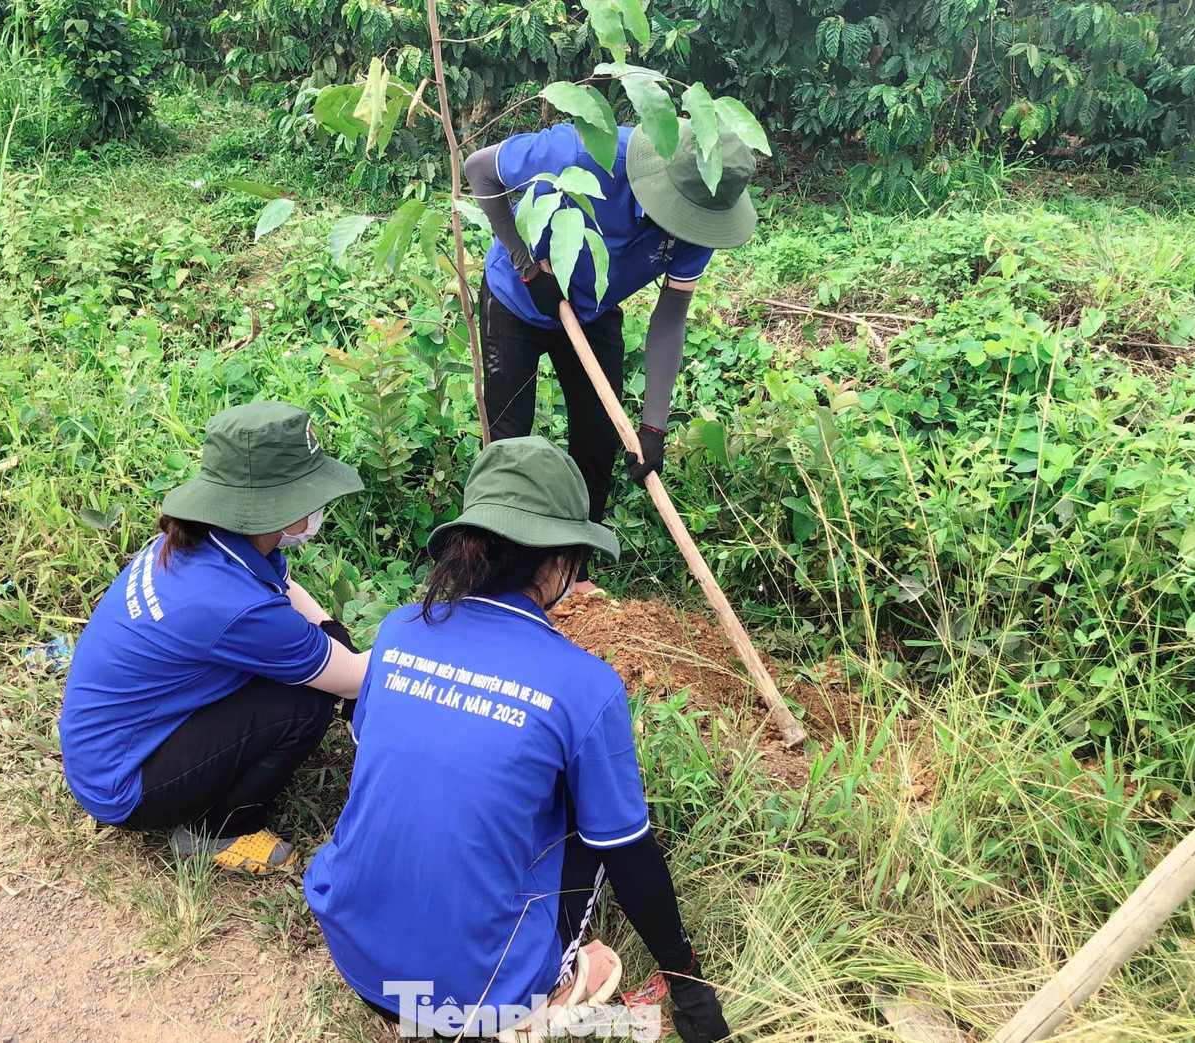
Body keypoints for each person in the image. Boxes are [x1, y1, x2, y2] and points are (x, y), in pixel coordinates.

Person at [304, 436, 731, 1041]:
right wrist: (688, 984)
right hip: (473, 998)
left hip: (354, 951)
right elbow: (629, 856)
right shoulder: (585, 686)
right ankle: (546, 996)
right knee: (603, 820)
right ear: (559, 564)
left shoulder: (401, 629)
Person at [59, 401, 368, 874]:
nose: (319, 507)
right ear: (277, 508)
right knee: (305, 702)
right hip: (123, 784)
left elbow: (283, 587)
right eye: (312, 495)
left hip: (107, 743)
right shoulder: (231, 605)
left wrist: (332, 635)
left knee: (320, 657)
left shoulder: (213, 541)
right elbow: (350, 680)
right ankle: (216, 831)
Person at [464, 118, 758, 592]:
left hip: (593, 309)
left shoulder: (704, 217)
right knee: (508, 441)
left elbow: (672, 312)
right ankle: (492, 574)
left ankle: (572, 577)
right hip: (519, 298)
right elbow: (479, 169)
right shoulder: (583, 152)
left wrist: (654, 425)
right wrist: (526, 267)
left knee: (599, 440)